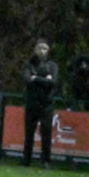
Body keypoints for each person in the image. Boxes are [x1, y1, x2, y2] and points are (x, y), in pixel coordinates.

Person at [22, 39, 58, 167]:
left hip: (46, 104)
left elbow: (53, 82)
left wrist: (36, 78)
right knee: (29, 133)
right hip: (32, 103)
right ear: (35, 49)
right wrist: (45, 79)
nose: (42, 51)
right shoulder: (29, 64)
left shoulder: (52, 65)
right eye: (40, 48)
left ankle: (46, 160)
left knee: (46, 133)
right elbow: (27, 79)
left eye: (45, 48)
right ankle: (26, 160)